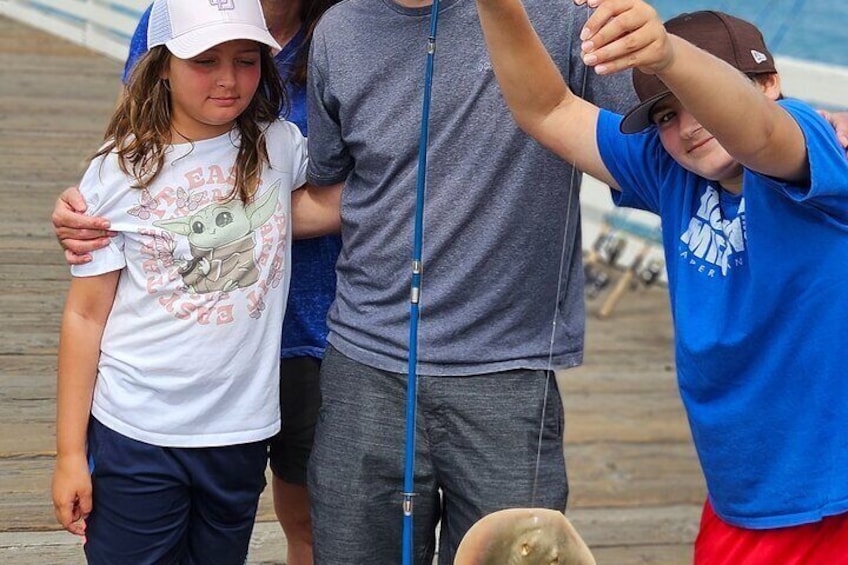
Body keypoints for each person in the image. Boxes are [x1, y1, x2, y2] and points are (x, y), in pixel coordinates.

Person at [51, 2, 848, 565]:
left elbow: (683, 120)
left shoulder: (566, 17)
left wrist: (801, 125)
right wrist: (122, 216)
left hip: (511, 375)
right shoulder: (341, 33)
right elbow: (309, 186)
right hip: (362, 364)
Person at [474, 0, 848, 562]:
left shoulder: (814, 146)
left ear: (771, 84)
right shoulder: (669, 168)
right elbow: (548, 110)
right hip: (736, 496)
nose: (688, 124)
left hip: (826, 500)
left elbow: (760, 134)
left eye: (698, 100)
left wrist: (669, 55)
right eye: (666, 114)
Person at [50, 0, 340, 563]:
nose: (229, 79)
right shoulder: (118, 170)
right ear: (160, 64)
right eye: (204, 60)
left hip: (240, 433)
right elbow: (84, 316)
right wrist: (67, 454)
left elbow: (343, 193)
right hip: (136, 430)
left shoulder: (281, 146)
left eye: (248, 60)